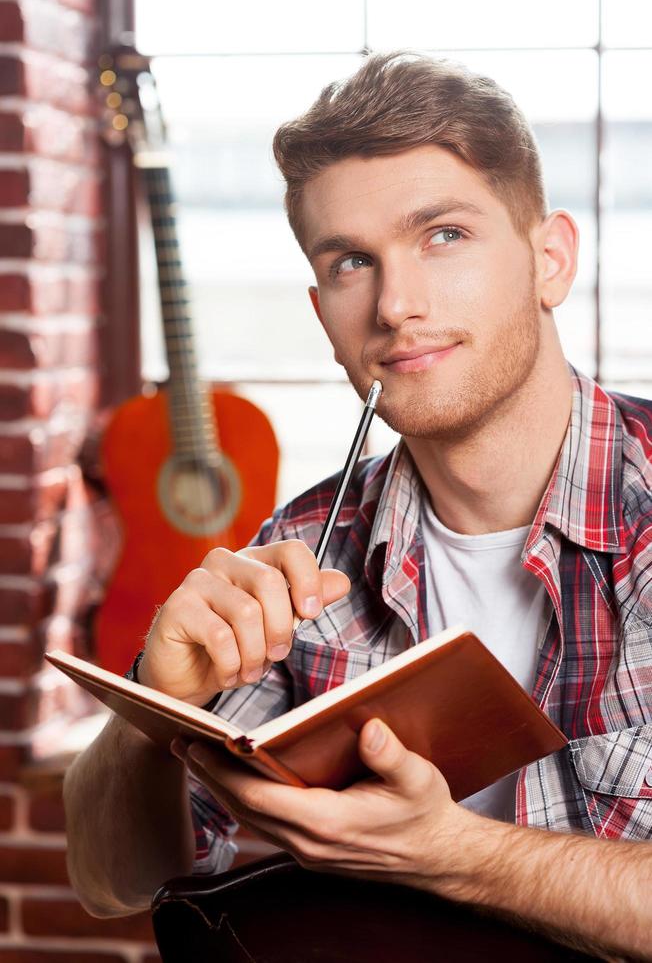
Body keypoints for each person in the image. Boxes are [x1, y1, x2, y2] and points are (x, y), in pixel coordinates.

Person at [63, 52, 652, 959]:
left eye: (443, 235)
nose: (397, 305)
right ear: (321, 306)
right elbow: (114, 882)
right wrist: (155, 710)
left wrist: (451, 855)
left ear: (550, 260)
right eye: (351, 262)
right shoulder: (301, 548)